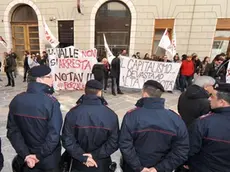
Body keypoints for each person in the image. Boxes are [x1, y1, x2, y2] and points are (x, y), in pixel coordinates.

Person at [119, 80, 189, 172]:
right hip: (161, 167)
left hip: (133, 168)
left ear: (144, 94)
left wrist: (139, 167)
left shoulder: (132, 116)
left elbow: (125, 144)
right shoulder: (175, 119)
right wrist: (159, 168)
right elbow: (182, 150)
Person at [7, 65, 63, 172]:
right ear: (39, 79)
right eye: (49, 76)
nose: (52, 79)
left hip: (26, 158)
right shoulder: (51, 102)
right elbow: (54, 135)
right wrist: (37, 156)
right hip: (48, 159)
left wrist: (26, 155)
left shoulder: (17, 100)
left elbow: (12, 132)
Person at [62, 80, 119, 172]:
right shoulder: (111, 115)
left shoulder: (73, 113)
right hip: (101, 163)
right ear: (100, 92)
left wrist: (83, 157)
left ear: (85, 91)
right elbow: (114, 143)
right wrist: (94, 155)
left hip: (78, 162)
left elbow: (67, 140)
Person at [188, 83, 230, 172]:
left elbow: (189, 150)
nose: (209, 99)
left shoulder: (204, 122)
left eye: (212, 96)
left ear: (222, 102)